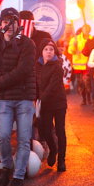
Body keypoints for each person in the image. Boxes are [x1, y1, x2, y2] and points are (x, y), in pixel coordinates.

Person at [0, 7, 36, 186]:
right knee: (2, 136)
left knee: (24, 139)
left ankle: (18, 176)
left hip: (24, 96)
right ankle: (6, 166)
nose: (9, 25)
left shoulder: (28, 44)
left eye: (13, 21)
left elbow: (23, 70)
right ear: (0, 23)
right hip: (4, 99)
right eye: (5, 21)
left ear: (19, 23)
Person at [35, 38, 67, 172]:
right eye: (46, 49)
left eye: (51, 49)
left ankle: (61, 161)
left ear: (54, 51)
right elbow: (35, 85)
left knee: (60, 131)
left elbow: (52, 87)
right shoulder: (36, 66)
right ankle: (53, 149)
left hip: (58, 103)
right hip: (44, 104)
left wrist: (39, 100)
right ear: (41, 52)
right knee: (46, 130)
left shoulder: (57, 65)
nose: (48, 52)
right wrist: (35, 98)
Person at [68, 24, 92, 105]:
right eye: (84, 28)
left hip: (87, 64)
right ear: (82, 29)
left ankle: (89, 97)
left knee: (87, 82)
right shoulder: (75, 39)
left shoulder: (91, 39)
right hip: (78, 65)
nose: (86, 30)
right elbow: (70, 51)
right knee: (80, 83)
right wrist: (74, 47)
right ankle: (84, 99)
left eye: (88, 28)